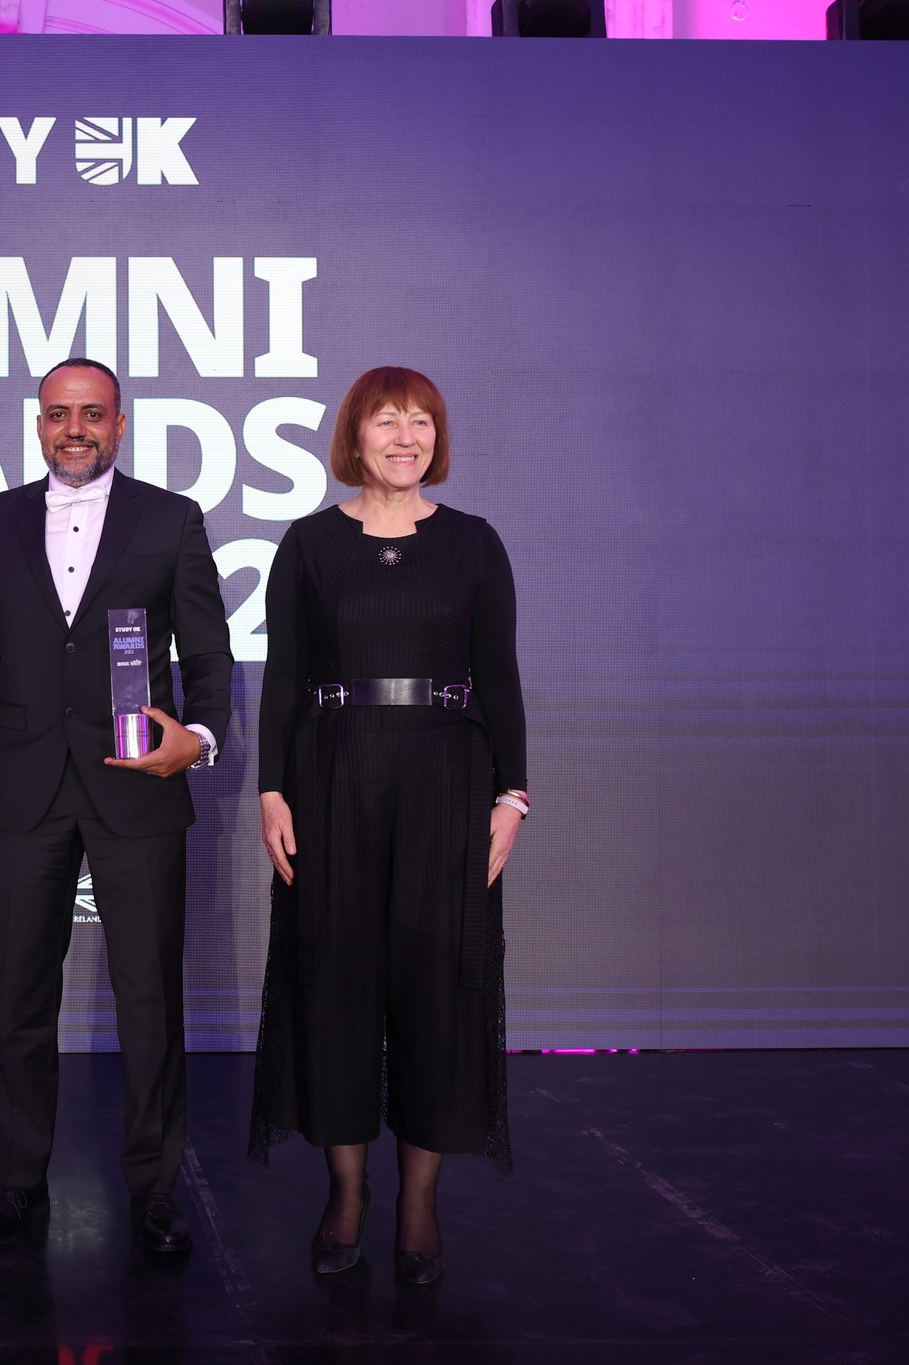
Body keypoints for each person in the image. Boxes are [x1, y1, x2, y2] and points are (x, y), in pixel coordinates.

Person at [0, 357, 233, 1254]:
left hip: (138, 782)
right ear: (38, 424)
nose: (76, 428)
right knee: (20, 996)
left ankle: (152, 1187)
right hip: (24, 783)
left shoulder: (171, 518)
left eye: (93, 414)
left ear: (120, 424)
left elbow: (210, 655)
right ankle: (18, 1180)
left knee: (149, 995)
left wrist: (204, 736)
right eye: (60, 414)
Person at [249, 366, 527, 1284]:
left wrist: (513, 795)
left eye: (420, 422)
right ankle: (347, 1192)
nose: (404, 436)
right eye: (385, 420)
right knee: (334, 980)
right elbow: (284, 677)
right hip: (331, 776)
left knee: (437, 988)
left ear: (435, 441)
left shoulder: (476, 545)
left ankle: (417, 1202)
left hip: (448, 777)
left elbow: (501, 676)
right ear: (354, 437)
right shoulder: (311, 544)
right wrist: (273, 791)